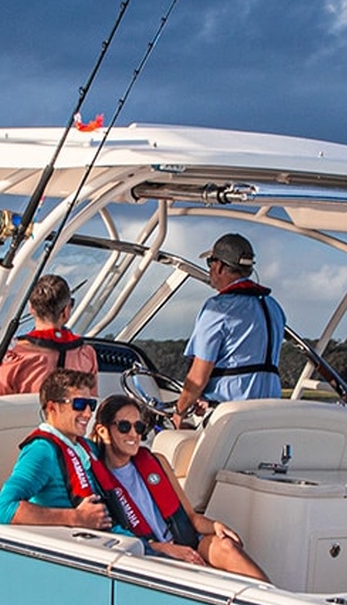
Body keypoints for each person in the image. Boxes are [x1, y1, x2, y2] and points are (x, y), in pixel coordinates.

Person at [91, 394, 270, 581]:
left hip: (187, 542)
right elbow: (114, 536)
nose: (134, 434)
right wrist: (165, 548)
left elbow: (191, 517)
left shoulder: (157, 461)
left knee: (227, 546)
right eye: (124, 427)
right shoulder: (98, 480)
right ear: (103, 431)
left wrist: (215, 526)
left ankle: (270, 596)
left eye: (139, 427)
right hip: (150, 555)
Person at [174, 233, 285, 419]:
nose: (209, 269)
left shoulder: (217, 309)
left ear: (219, 266)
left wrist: (179, 413)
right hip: (270, 413)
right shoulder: (274, 307)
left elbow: (198, 378)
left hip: (232, 415)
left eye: (210, 263)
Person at [0, 369, 112, 530]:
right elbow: (5, 509)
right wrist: (77, 517)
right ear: (52, 408)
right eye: (79, 405)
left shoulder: (86, 447)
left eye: (91, 405)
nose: (88, 414)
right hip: (83, 540)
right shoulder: (41, 450)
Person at [0, 274, 99, 396]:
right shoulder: (86, 355)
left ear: (31, 308)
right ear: (66, 311)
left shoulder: (14, 356)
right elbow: (93, 400)